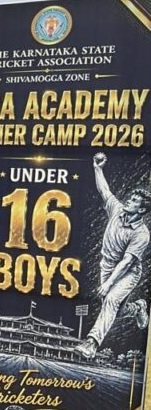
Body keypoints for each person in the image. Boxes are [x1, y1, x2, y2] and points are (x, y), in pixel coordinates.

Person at [75, 153, 150, 358]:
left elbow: (127, 262)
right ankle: (137, 308)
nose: (129, 201)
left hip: (128, 272)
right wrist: (97, 168)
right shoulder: (117, 210)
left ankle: (91, 344)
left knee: (110, 300)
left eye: (134, 201)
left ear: (142, 209)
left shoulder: (142, 234)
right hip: (106, 267)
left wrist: (108, 284)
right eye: (131, 198)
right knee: (116, 309)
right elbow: (104, 190)